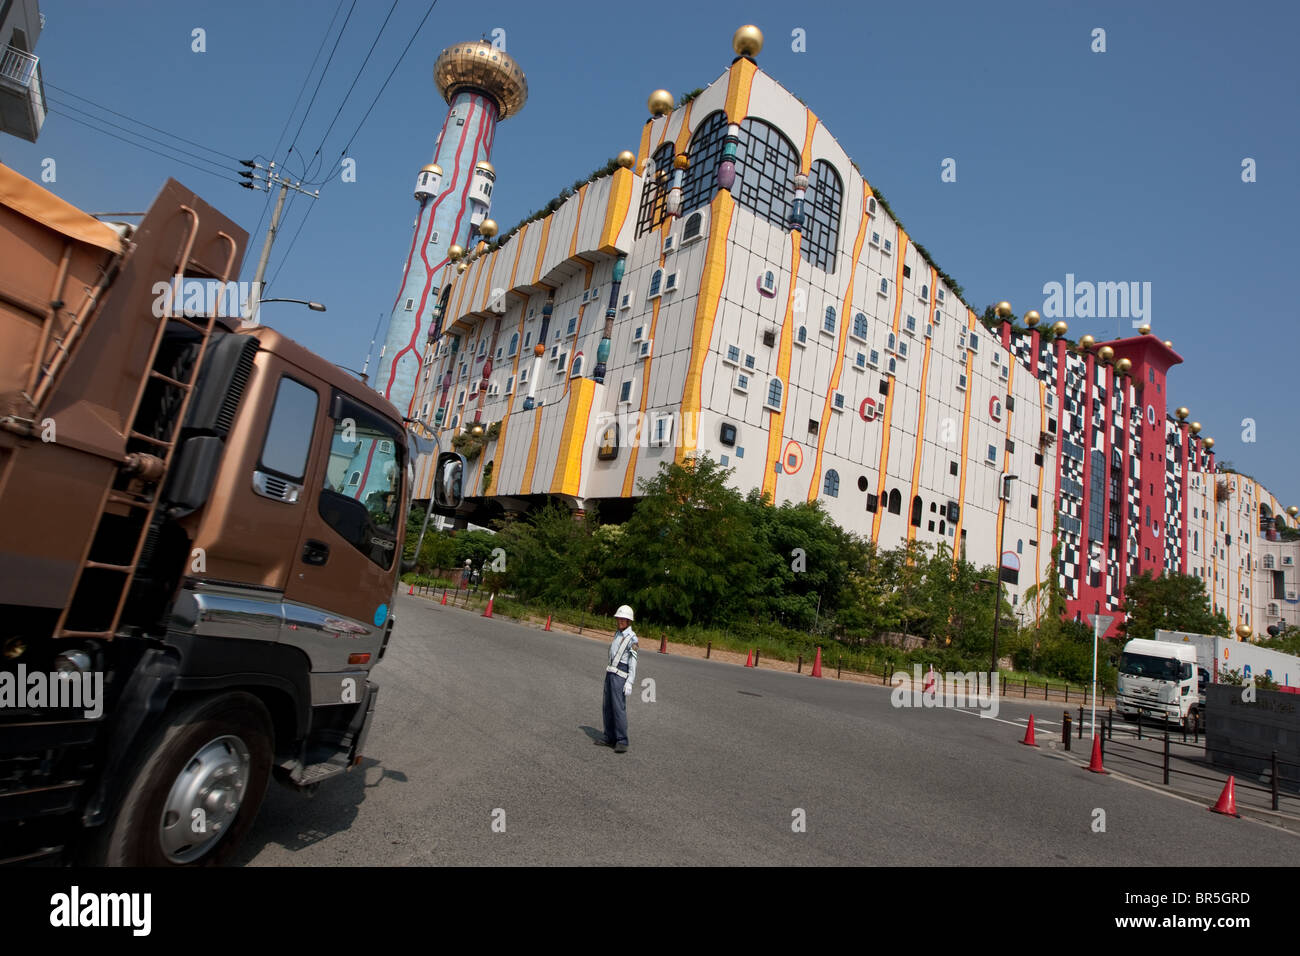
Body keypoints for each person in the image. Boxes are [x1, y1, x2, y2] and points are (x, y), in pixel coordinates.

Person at [598, 605, 638, 753]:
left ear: (629, 621)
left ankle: (622, 740)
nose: (620, 621)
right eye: (619, 618)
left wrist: (630, 682)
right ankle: (609, 736)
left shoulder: (632, 638)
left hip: (620, 675)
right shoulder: (617, 633)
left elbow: (633, 663)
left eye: (624, 619)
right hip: (610, 673)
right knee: (607, 706)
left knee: (618, 708)